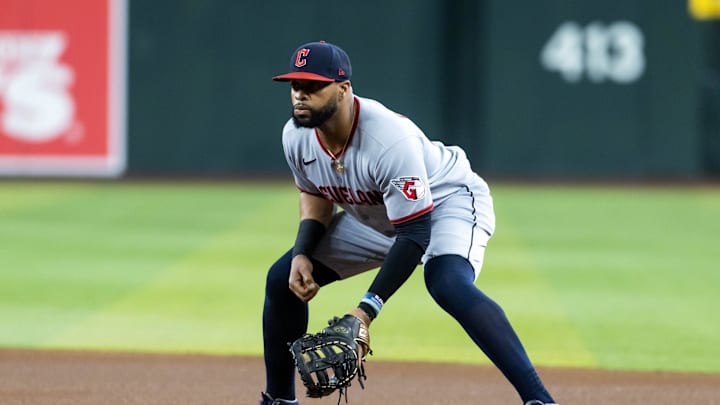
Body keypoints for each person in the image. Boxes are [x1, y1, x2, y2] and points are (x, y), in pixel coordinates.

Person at [260, 40, 559, 405]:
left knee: (447, 283)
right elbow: (316, 195)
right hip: (378, 218)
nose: (300, 96)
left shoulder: (386, 139)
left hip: (446, 203)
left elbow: (416, 233)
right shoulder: (296, 135)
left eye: (313, 86)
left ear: (343, 89)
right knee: (282, 279)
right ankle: (279, 400)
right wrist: (303, 253)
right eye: (295, 86)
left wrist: (366, 310)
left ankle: (539, 399)